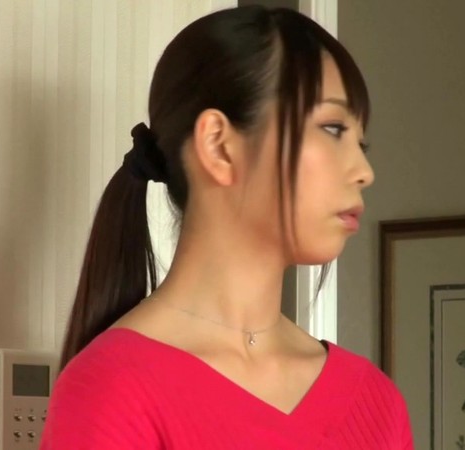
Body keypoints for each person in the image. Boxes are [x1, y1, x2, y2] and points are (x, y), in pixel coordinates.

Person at [41, 5, 413, 449]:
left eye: (361, 143)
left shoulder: (376, 401)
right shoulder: (112, 390)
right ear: (218, 145)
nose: (364, 171)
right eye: (332, 129)